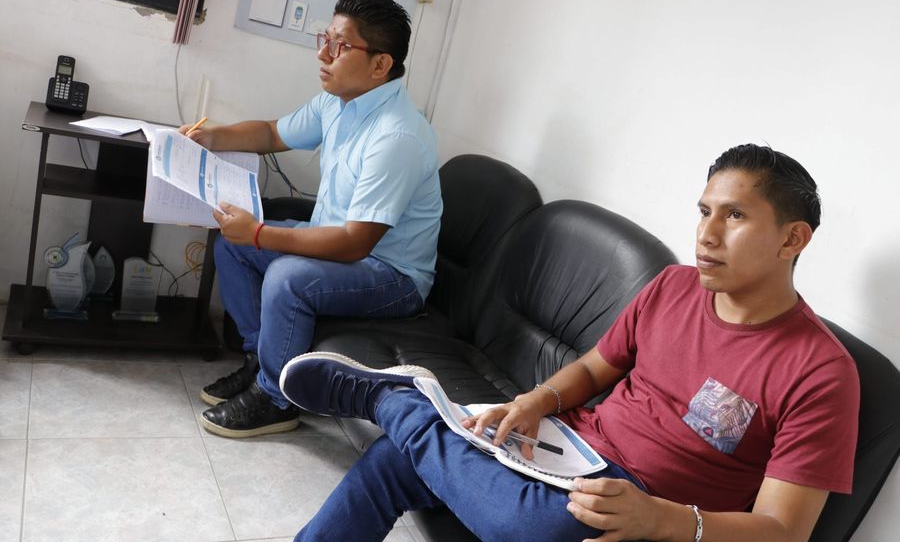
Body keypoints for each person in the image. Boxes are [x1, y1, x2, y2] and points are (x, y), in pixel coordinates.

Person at [277, 144, 860, 541]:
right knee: (394, 460)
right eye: (704, 211)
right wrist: (536, 401)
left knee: (532, 527)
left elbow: (784, 530)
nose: (705, 234)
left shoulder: (819, 371)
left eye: (734, 216)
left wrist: (664, 519)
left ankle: (392, 402)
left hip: (645, 505)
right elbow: (593, 368)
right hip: (571, 451)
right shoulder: (674, 286)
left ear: (792, 239)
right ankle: (404, 411)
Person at [184, 0, 442, 438]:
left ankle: (276, 399)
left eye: (339, 46)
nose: (323, 54)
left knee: (286, 276)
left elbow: (354, 243)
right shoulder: (337, 102)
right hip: (336, 240)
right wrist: (212, 137)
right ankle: (260, 361)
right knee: (230, 244)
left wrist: (259, 233)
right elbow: (272, 133)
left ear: (380, 65)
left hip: (392, 275)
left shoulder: (397, 135)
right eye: (325, 39)